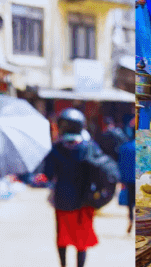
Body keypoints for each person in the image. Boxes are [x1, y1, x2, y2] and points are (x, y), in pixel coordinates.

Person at [39, 108, 101, 267]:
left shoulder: (56, 149)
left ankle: (63, 265)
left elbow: (48, 173)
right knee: (81, 241)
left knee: (62, 238)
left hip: (62, 201)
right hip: (84, 201)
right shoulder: (89, 147)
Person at [119, 133, 135, 234]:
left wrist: (122, 180)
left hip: (128, 179)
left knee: (130, 202)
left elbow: (121, 164)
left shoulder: (124, 148)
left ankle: (131, 219)